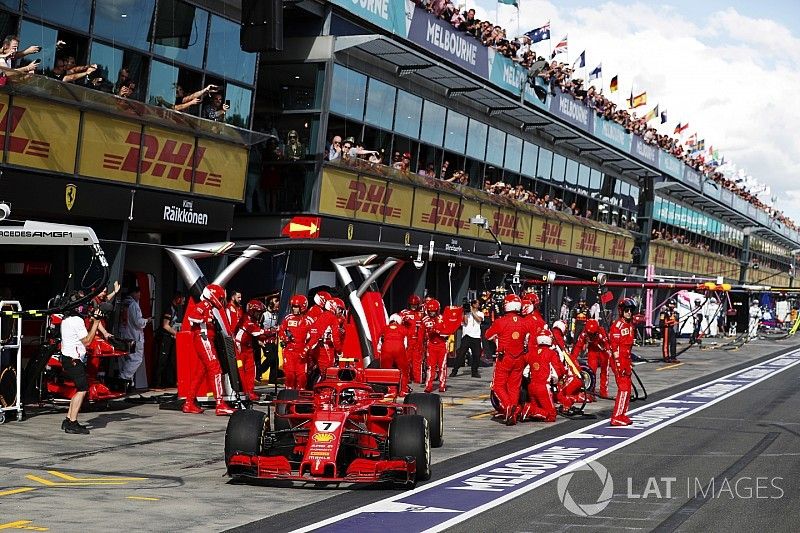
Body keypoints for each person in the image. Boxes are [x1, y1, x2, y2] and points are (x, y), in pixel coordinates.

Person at [182, 284, 235, 415]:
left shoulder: (208, 306)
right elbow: (191, 317)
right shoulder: (204, 305)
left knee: (201, 372)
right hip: (203, 338)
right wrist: (208, 318)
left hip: (205, 339)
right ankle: (220, 403)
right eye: (221, 298)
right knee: (216, 369)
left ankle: (189, 403)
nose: (222, 301)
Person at [59, 294, 102, 434]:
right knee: (83, 389)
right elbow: (88, 341)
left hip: (68, 358)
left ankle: (68, 419)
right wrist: (96, 323)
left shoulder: (65, 319)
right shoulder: (77, 320)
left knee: (79, 389)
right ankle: (72, 422)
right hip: (73, 359)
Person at [486, 294, 528, 425]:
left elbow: (488, 335)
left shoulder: (501, 322)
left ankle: (508, 406)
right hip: (520, 357)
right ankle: (513, 413)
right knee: (514, 387)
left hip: (505, 357)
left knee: (498, 385)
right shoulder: (524, 322)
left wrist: (497, 339)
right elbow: (528, 339)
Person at [520, 333, 566, 422]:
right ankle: (529, 409)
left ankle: (530, 410)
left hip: (532, 386)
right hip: (543, 387)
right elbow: (556, 373)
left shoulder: (531, 353)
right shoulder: (551, 353)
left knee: (539, 411)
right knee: (552, 416)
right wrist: (555, 383)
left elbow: (525, 372)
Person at [234, 299, 270, 400]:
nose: (259, 315)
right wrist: (272, 331)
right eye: (258, 312)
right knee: (242, 370)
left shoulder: (254, 320)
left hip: (248, 347)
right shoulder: (245, 319)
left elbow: (258, 334)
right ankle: (245, 392)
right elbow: (255, 332)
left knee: (251, 369)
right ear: (252, 311)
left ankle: (250, 391)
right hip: (240, 346)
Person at [609, 298, 636, 426]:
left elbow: (628, 347)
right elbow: (615, 348)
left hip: (626, 360)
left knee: (628, 390)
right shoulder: (617, 326)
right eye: (626, 310)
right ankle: (616, 416)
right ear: (621, 311)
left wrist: (629, 362)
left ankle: (623, 414)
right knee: (624, 389)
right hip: (619, 361)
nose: (629, 312)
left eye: (631, 310)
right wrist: (620, 365)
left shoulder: (630, 325)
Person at [305, 297, 342, 383]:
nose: (340, 312)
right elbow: (335, 338)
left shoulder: (322, 315)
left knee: (314, 370)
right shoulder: (333, 318)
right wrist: (339, 351)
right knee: (327, 371)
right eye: (339, 309)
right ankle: (323, 389)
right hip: (325, 347)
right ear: (334, 307)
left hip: (314, 346)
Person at [118, 287, 151, 386]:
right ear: (134, 293)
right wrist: (147, 320)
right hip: (134, 337)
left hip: (123, 335)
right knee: (136, 359)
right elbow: (138, 322)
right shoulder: (134, 305)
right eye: (139, 294)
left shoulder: (123, 303)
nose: (139, 296)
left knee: (125, 359)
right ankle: (124, 378)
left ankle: (128, 384)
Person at [571, 319, 611, 398]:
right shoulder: (584, 333)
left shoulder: (601, 332)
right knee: (591, 371)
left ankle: (604, 392)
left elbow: (607, 345)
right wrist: (572, 359)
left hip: (603, 352)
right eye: (589, 333)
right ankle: (591, 392)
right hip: (592, 351)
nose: (590, 335)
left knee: (604, 371)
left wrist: (608, 351)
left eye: (592, 334)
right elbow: (578, 346)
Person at [279, 295, 311, 390]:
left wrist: (307, 348)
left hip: (302, 352)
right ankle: (288, 393)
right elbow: (281, 330)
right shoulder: (288, 318)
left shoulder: (308, 320)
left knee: (302, 376)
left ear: (303, 307)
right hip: (289, 351)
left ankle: (300, 395)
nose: (294, 309)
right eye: (293, 306)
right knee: (290, 374)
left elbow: (314, 337)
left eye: (296, 307)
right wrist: (285, 338)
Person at [154, 291, 186, 388]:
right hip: (164, 338)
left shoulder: (175, 309)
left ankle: (166, 382)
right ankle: (156, 383)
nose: (184, 301)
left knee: (169, 361)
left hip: (170, 338)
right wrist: (176, 333)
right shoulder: (169, 309)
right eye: (183, 299)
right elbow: (165, 325)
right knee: (162, 361)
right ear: (178, 299)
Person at [451, 298, 483, 378]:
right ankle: (454, 371)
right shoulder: (466, 314)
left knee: (477, 355)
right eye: (476, 303)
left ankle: (474, 371)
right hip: (466, 336)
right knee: (461, 354)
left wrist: (472, 312)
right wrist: (465, 312)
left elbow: (479, 320)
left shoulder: (480, 313)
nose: (477, 304)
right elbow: (465, 322)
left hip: (476, 337)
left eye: (477, 303)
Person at [378, 314, 410, 394]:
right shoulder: (403, 329)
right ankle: (403, 390)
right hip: (399, 349)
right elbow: (406, 345)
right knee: (404, 371)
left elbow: (379, 345)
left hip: (386, 349)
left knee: (386, 371)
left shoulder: (384, 328)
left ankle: (391, 390)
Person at [422, 299, 448, 393]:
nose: (432, 313)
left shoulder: (443, 318)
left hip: (442, 345)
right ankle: (429, 385)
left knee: (442, 366)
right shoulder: (424, 320)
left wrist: (438, 331)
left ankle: (442, 385)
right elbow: (422, 334)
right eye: (430, 311)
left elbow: (447, 333)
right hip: (431, 345)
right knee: (430, 367)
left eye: (434, 311)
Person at [400, 295, 427, 384]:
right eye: (412, 304)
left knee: (417, 361)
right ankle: (405, 378)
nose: (414, 306)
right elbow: (397, 323)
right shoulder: (404, 313)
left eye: (415, 305)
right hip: (407, 340)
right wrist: (403, 320)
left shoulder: (422, 313)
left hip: (418, 341)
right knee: (406, 360)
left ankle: (417, 379)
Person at [258, 295, 280, 383]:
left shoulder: (277, 315)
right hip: (265, 340)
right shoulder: (263, 315)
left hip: (274, 340)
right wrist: (259, 340)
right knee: (271, 358)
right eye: (276, 303)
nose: (277, 306)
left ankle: (272, 381)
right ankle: (259, 372)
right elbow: (257, 327)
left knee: (275, 360)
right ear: (271, 304)